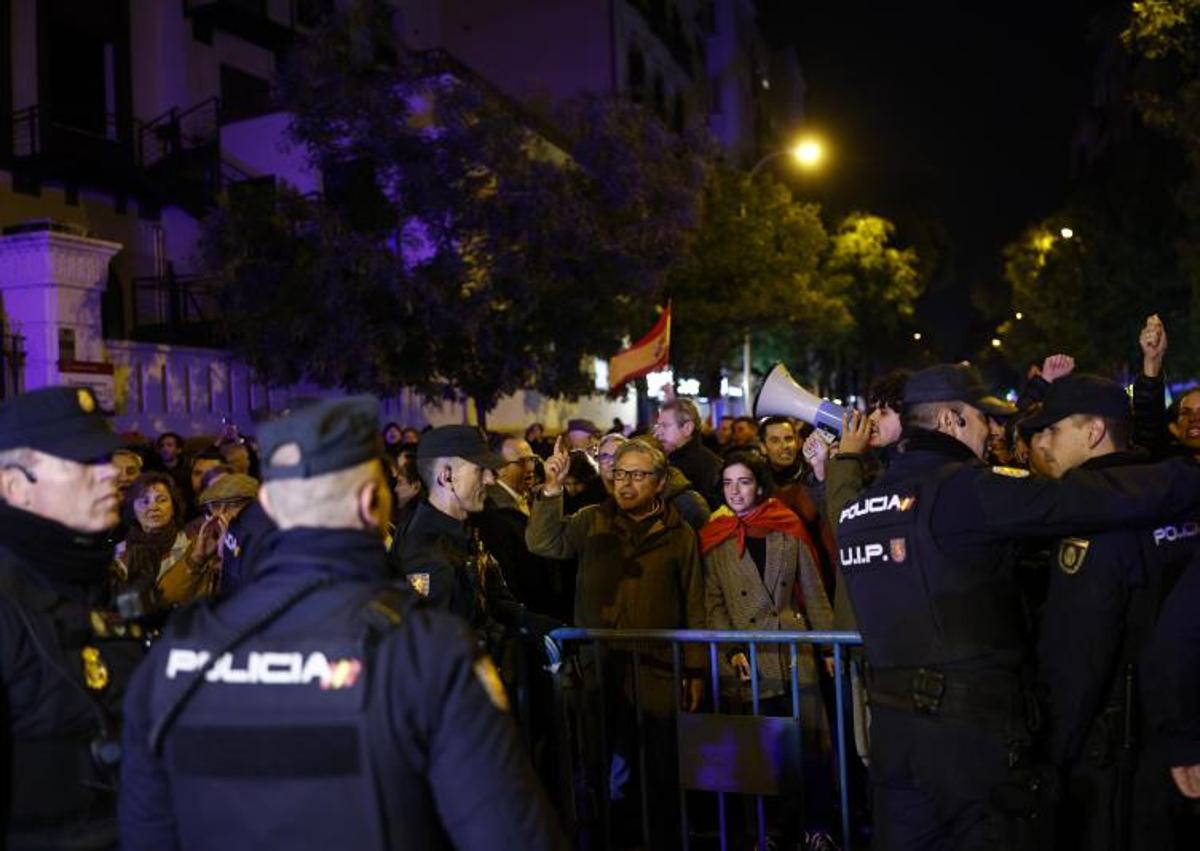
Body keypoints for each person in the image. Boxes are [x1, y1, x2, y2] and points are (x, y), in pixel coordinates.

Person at [119, 395, 567, 851]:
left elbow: (145, 830)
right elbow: (509, 833)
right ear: (374, 503)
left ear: (270, 504)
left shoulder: (177, 655)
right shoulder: (425, 650)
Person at [837, 363, 1200, 851]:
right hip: (974, 746)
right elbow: (1081, 498)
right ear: (949, 421)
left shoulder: (860, 508)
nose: (992, 430)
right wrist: (1186, 475)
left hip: (894, 742)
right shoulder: (967, 490)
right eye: (981, 418)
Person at [526, 436, 706, 847]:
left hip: (659, 671)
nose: (625, 484)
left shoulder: (680, 535)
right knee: (601, 766)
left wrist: (694, 669)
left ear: (660, 482)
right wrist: (552, 490)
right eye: (620, 474)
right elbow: (542, 542)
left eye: (638, 476)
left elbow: (694, 603)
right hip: (599, 669)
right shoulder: (592, 521)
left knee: (659, 769)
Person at [1026, 374, 1181, 849]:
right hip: (1174, 739)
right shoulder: (1167, 493)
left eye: (1054, 429)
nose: (1043, 442)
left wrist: (1053, 754)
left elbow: (1078, 653)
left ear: (1093, 432)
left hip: (1111, 752)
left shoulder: (1096, 517)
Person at [0, 386, 145, 849]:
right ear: (15, 486)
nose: (112, 475)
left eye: (108, 458)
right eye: (85, 463)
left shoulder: (89, 579)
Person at [699, 450, 836, 837]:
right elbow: (714, 603)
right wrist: (732, 650)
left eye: (743, 482)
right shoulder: (715, 535)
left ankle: (818, 830)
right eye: (728, 484)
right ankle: (770, 833)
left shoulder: (785, 526)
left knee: (810, 748)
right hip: (749, 663)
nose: (735, 492)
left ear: (759, 485)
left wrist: (827, 648)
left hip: (794, 654)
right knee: (763, 753)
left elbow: (813, 592)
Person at [393, 425, 556, 654]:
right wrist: (509, 643)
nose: (490, 479)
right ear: (446, 477)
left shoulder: (465, 531)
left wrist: (536, 625)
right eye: (480, 470)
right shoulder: (425, 552)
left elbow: (492, 602)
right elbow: (439, 649)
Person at [113, 472, 222, 608]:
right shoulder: (119, 554)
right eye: (144, 501)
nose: (153, 507)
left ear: (173, 508)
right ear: (133, 509)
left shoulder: (195, 546)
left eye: (162, 500)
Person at [654, 399, 722, 508]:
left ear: (687, 428)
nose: (657, 433)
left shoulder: (711, 468)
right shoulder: (664, 461)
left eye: (665, 426)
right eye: (657, 426)